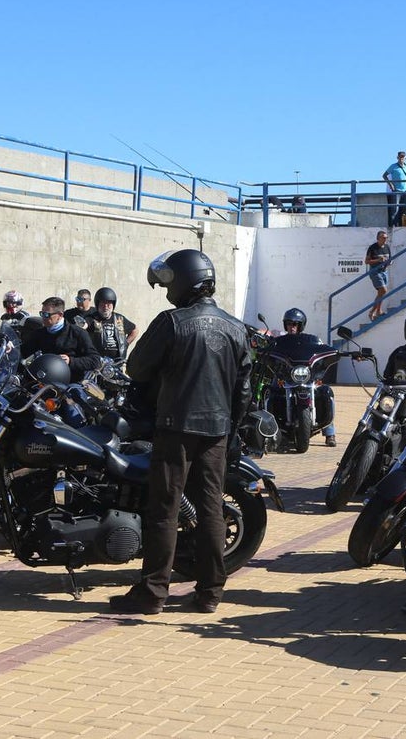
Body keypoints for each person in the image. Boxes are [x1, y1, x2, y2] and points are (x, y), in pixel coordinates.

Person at [108, 249, 252, 615]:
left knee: (165, 511)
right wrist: (228, 430)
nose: (166, 290)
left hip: (175, 428)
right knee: (210, 510)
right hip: (216, 431)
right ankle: (210, 593)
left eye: (170, 282)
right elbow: (244, 391)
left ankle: (154, 591)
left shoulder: (172, 322)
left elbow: (137, 368)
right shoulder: (236, 327)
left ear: (185, 280)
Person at [279, 308, 336, 447]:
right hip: (287, 376)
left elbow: (323, 348)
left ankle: (330, 433)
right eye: (289, 323)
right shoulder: (281, 340)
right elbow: (270, 347)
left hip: (306, 376)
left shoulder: (310, 340)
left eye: (295, 324)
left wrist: (333, 352)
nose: (292, 326)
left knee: (323, 392)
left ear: (301, 325)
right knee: (272, 390)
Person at [23, 296, 101, 381]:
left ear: (60, 315)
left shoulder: (77, 333)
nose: (43, 318)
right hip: (44, 381)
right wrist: (11, 348)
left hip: (70, 384)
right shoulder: (40, 333)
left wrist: (71, 361)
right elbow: (24, 351)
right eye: (42, 314)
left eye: (46, 315)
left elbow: (95, 360)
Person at [85, 287, 138, 360]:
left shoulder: (120, 319)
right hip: (98, 362)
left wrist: (126, 343)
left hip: (117, 362)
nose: (105, 307)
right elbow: (83, 326)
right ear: (98, 304)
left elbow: (135, 330)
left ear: (113, 304)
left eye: (108, 303)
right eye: (103, 303)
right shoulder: (92, 318)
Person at [382, 151, 406, 228]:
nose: (401, 158)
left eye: (403, 157)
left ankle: (401, 225)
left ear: (405, 158)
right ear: (397, 157)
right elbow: (384, 175)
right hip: (396, 191)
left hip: (405, 191)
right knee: (395, 210)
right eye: (400, 157)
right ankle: (393, 226)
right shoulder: (393, 166)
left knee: (404, 210)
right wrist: (391, 185)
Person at [365, 230, 391, 322]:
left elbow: (389, 258)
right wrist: (378, 260)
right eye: (383, 238)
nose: (385, 239)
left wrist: (389, 262)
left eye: (386, 238)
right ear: (378, 238)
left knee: (382, 292)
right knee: (383, 290)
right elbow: (367, 261)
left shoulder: (387, 247)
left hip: (384, 271)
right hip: (375, 271)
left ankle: (375, 311)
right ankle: (376, 311)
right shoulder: (373, 248)